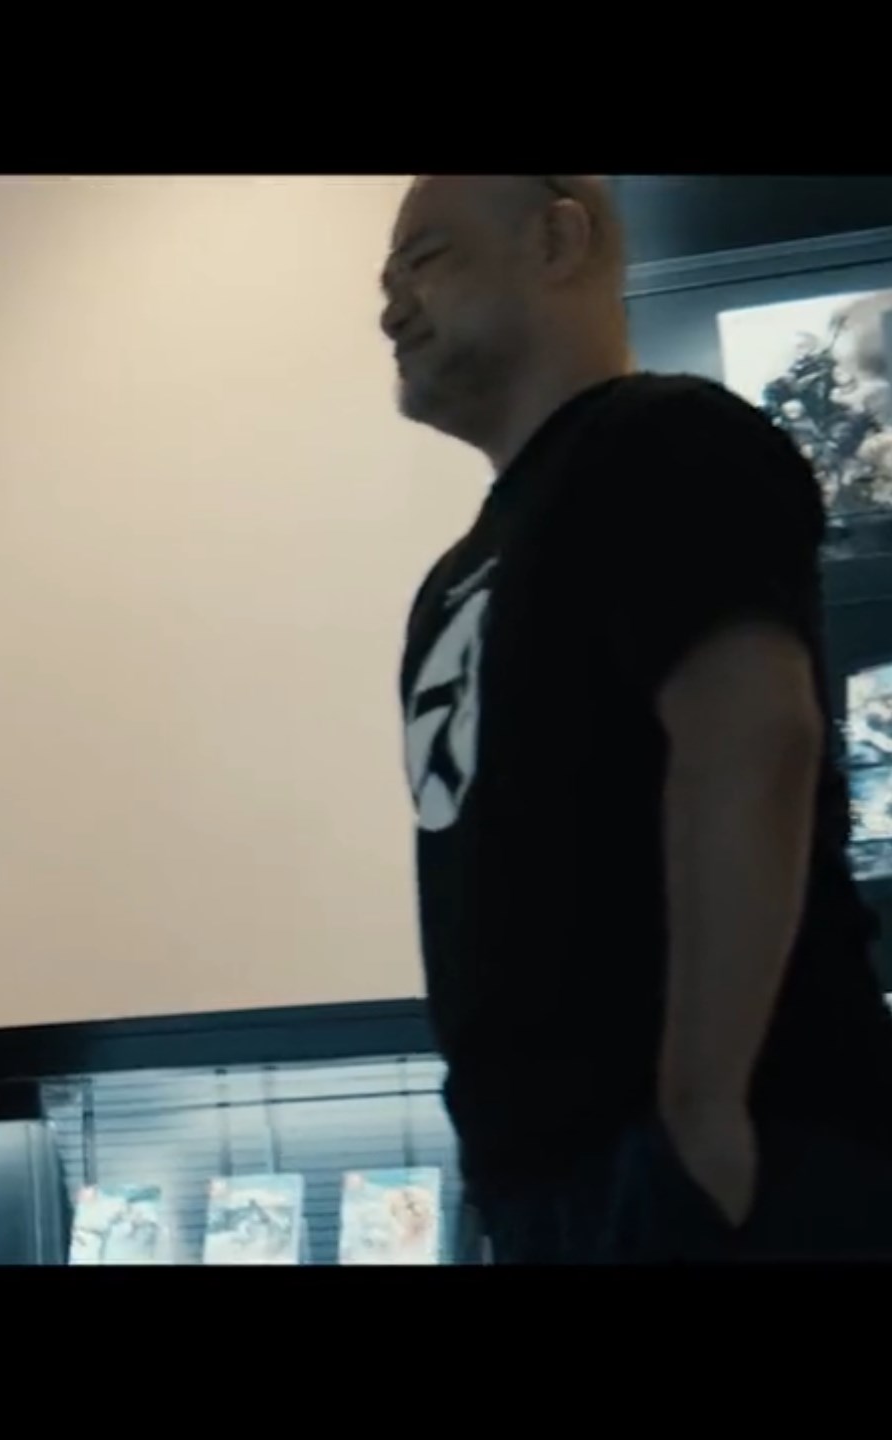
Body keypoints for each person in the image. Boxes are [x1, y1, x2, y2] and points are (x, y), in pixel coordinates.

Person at [383, 174, 892, 1261]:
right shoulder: (458, 574)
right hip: (558, 1183)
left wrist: (702, 1112)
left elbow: (755, 737)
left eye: (423, 259)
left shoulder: (663, 438)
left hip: (713, 1170)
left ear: (557, 239)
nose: (389, 308)